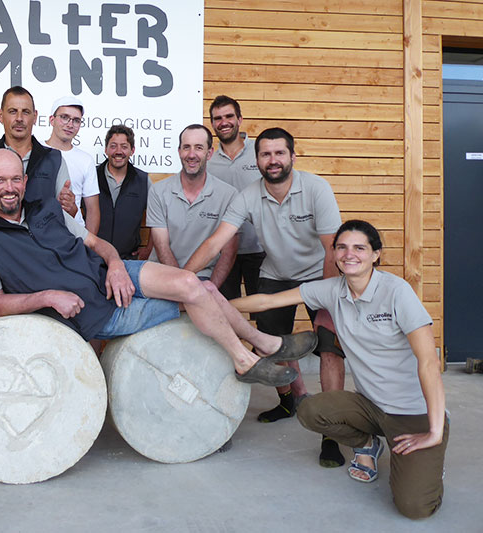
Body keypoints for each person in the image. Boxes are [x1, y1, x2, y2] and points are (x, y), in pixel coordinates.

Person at [0, 149, 321, 390]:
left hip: (110, 275)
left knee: (190, 281)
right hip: (97, 312)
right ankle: (252, 353)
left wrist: (116, 263)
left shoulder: (45, 207)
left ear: (24, 180)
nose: (9, 188)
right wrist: (47, 296)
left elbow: (93, 242)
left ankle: (262, 346)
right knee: (203, 291)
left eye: (15, 179)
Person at [230, 220, 448, 520]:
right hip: (371, 406)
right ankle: (367, 445)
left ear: (375, 255)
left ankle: (432, 457)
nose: (349, 254)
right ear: (333, 254)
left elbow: (428, 363)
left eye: (360, 248)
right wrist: (208, 304)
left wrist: (434, 431)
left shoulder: (397, 292)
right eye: (342, 247)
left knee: (415, 507)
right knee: (310, 411)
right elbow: (267, 301)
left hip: (414, 413)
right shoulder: (332, 290)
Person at [184, 127, 346, 466]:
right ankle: (291, 400)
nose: (272, 160)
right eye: (265, 154)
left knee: (329, 346)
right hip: (275, 273)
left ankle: (330, 430)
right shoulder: (247, 196)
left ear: (292, 156)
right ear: (256, 160)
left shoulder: (317, 188)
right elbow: (216, 242)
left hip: (321, 273)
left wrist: (327, 299)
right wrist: (182, 280)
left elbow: (333, 248)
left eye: (279, 153)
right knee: (273, 341)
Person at [147, 124, 239, 287]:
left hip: (203, 278)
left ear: (209, 153)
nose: (191, 154)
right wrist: (180, 285)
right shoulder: (158, 191)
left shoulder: (229, 195)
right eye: (186, 147)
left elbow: (228, 251)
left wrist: (212, 289)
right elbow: (161, 246)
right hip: (160, 273)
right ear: (179, 151)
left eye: (198, 148)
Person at [0, 85, 72, 210]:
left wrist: (70, 208)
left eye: (26, 112)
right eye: (12, 111)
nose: (19, 118)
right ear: (0, 115)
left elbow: (65, 214)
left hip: (41, 230)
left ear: (35, 117)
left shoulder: (54, 160)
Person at [205, 95, 266, 300]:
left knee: (265, 317)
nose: (223, 122)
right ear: (212, 123)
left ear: (239, 120)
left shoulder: (262, 152)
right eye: (217, 118)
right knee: (225, 313)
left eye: (229, 116)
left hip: (260, 249)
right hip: (222, 252)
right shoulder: (207, 159)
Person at [45, 95, 101, 233]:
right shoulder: (35, 150)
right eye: (64, 117)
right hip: (39, 232)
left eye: (76, 120)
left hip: (73, 234)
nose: (70, 124)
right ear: (52, 120)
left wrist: (89, 248)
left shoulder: (85, 160)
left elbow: (93, 210)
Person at [96, 125, 153, 260]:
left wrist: (149, 249)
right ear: (106, 149)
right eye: (113, 146)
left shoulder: (143, 181)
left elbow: (158, 218)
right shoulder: (92, 177)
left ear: (132, 150)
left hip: (128, 259)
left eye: (124, 146)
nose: (118, 151)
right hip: (93, 258)